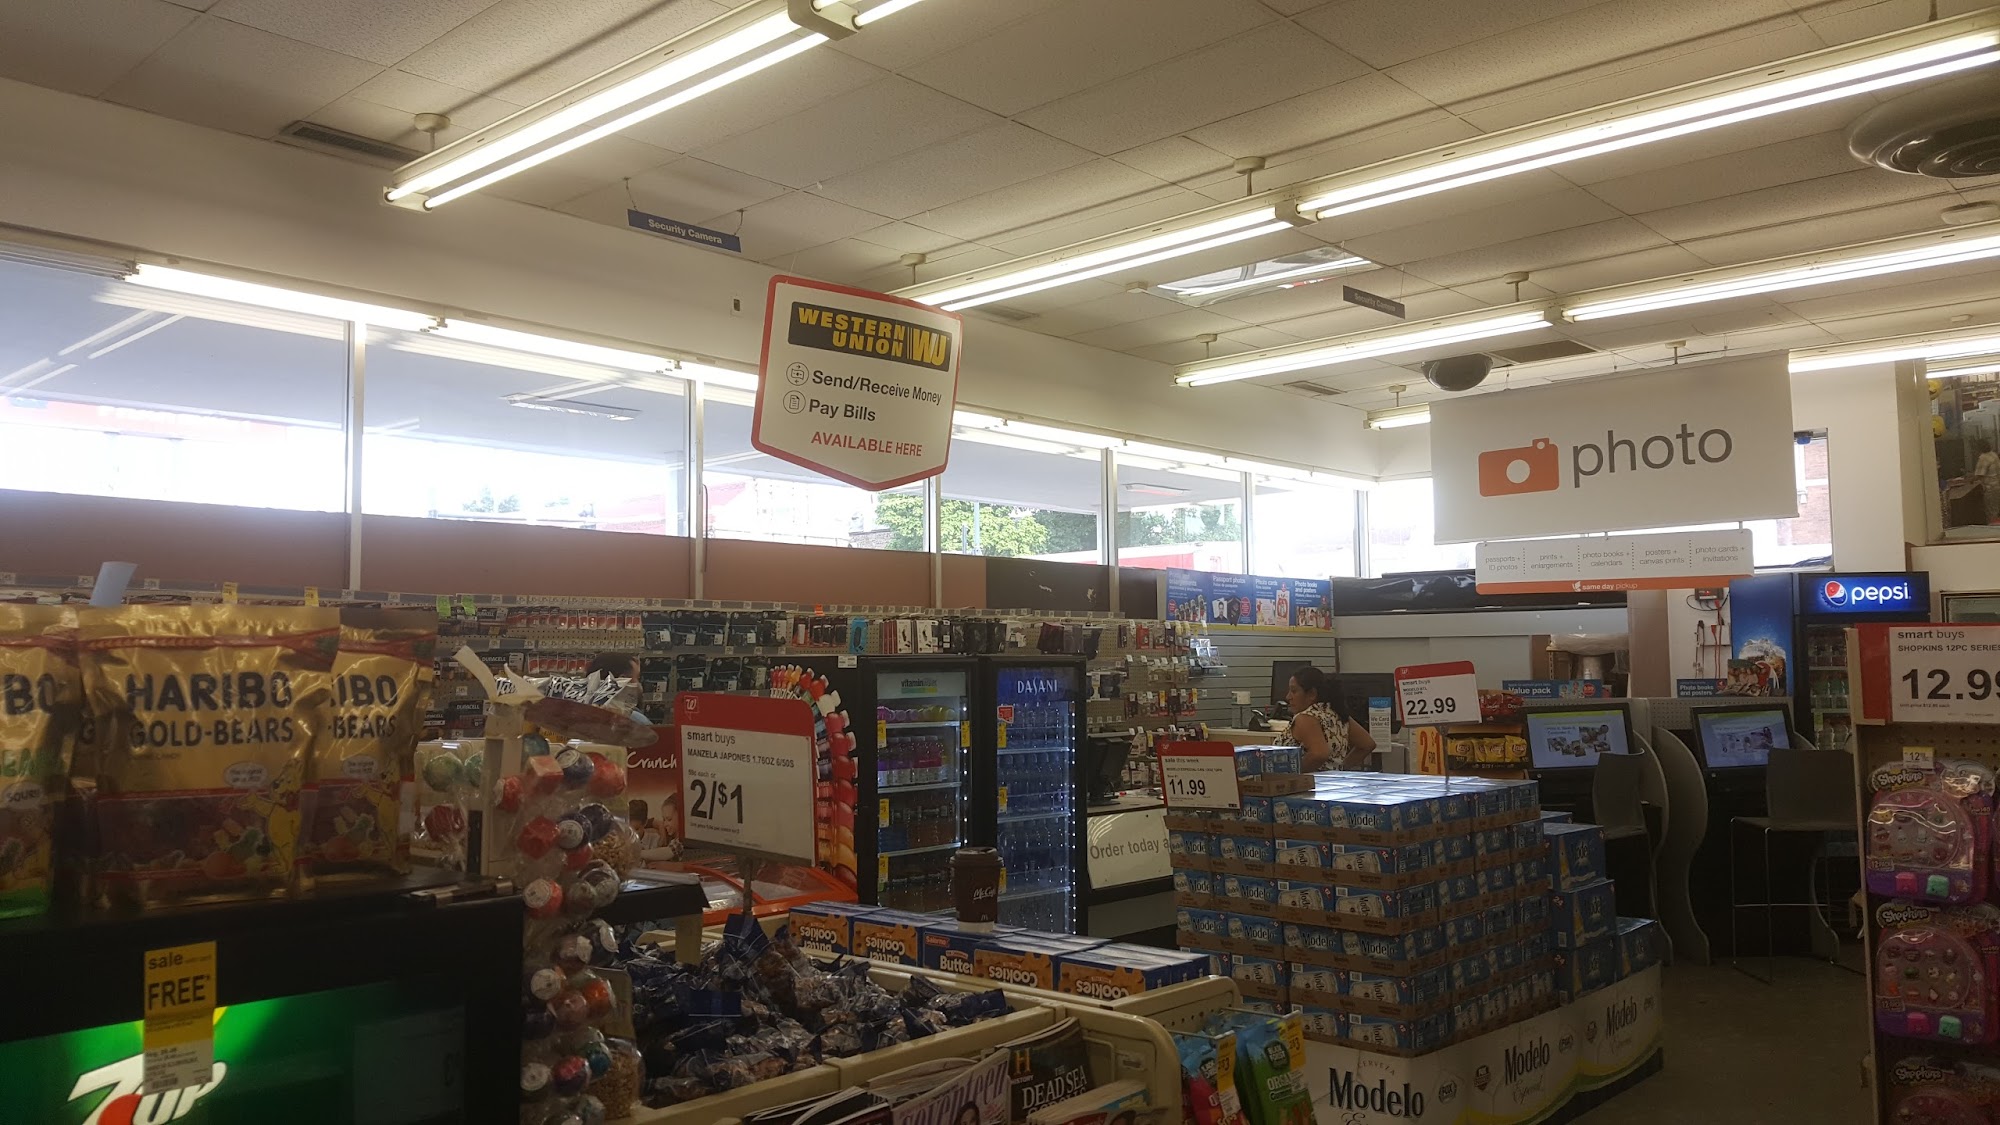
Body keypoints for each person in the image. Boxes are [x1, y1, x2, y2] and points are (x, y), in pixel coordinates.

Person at [1285, 667, 1376, 771]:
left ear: (1312, 694)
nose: (1288, 697)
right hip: (1332, 779)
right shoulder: (1337, 715)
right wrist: (1341, 768)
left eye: (1294, 691)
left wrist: (1291, 773)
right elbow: (1367, 744)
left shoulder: (1305, 718)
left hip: (1307, 780)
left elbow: (1319, 754)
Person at [1974, 439, 2000, 526]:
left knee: (1991, 513)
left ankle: (1992, 531)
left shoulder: (1983, 458)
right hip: (1997, 487)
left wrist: (1966, 480)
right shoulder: (1993, 454)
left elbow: (1979, 475)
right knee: (1996, 511)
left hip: (1990, 489)